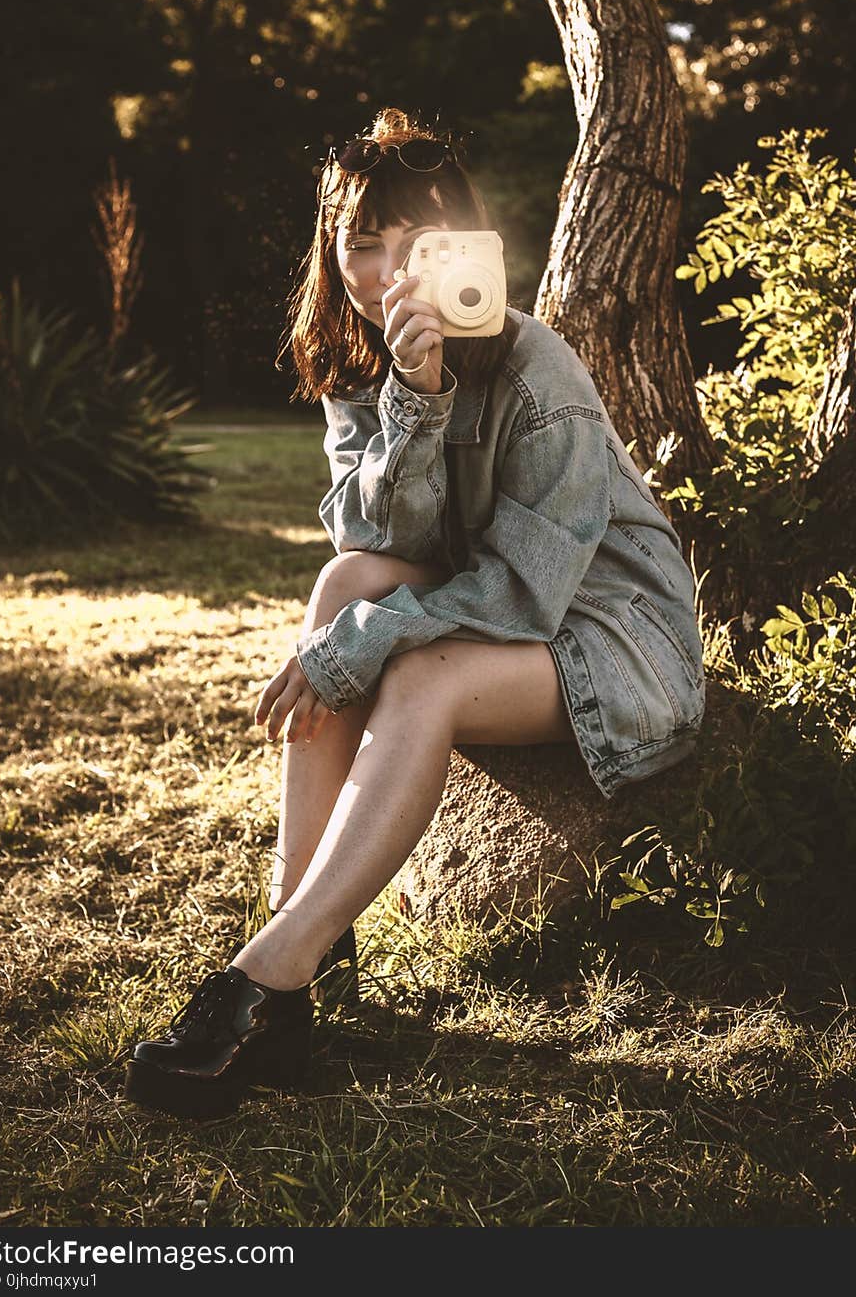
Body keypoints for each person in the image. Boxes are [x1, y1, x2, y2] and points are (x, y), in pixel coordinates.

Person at [124, 107, 706, 1121]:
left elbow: (530, 594)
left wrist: (366, 645)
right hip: (497, 613)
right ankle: (301, 949)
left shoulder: (538, 369)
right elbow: (378, 536)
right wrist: (417, 391)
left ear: (464, 243)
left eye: (415, 241)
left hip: (611, 634)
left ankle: (265, 980)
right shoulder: (366, 376)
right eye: (362, 240)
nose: (389, 269)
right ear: (330, 252)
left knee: (407, 666)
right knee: (343, 583)